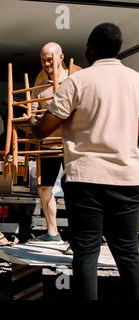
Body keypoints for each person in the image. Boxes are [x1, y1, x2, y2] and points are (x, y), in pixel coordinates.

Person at [30, 23, 139, 300]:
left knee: (87, 252)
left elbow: (43, 129)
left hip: (85, 179)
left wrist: (33, 123)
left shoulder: (77, 82)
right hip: (127, 178)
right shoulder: (137, 81)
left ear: (91, 49)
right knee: (128, 252)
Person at [28, 42, 81, 245]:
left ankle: (78, 236)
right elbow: (32, 116)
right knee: (44, 188)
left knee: (75, 189)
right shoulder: (39, 87)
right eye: (43, 60)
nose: (46, 63)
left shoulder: (75, 80)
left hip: (71, 146)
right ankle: (52, 233)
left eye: (50, 59)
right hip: (48, 146)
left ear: (61, 57)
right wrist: (29, 119)